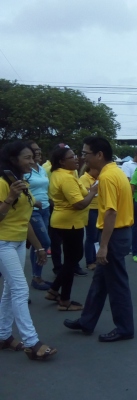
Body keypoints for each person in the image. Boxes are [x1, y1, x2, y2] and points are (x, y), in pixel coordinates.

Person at [64, 137, 135, 342]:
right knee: (100, 282)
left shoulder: (108, 177)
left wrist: (103, 246)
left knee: (117, 284)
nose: (83, 156)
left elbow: (110, 213)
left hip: (114, 235)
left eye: (86, 153)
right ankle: (87, 321)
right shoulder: (114, 172)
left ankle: (125, 328)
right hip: (119, 234)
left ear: (99, 155)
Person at [0, 141, 57, 360]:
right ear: (12, 160)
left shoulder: (21, 182)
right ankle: (31, 342)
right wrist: (10, 197)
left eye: (33, 157)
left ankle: (4, 336)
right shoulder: (4, 184)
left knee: (9, 291)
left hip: (17, 242)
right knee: (21, 290)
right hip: (3, 243)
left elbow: (25, 220)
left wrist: (39, 247)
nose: (32, 161)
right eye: (27, 157)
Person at [46, 147, 98, 311]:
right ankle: (65, 300)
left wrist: (87, 192)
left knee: (72, 258)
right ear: (61, 161)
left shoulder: (62, 174)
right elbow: (79, 204)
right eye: (71, 157)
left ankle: (54, 290)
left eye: (76, 156)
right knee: (71, 260)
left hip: (66, 221)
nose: (76, 159)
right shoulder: (66, 178)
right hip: (70, 222)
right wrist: (93, 192)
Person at [24, 141, 52, 290]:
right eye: (34, 150)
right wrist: (33, 201)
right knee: (44, 243)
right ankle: (36, 277)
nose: (38, 152)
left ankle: (37, 277)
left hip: (45, 209)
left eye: (39, 149)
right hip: (32, 210)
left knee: (38, 244)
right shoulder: (24, 170)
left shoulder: (41, 169)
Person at [79, 166, 100, 271]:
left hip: (99, 208)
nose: (100, 171)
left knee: (96, 237)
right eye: (98, 169)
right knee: (91, 236)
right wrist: (94, 190)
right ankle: (89, 261)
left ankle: (95, 258)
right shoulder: (84, 178)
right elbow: (87, 192)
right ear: (91, 169)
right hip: (90, 209)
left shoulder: (98, 178)